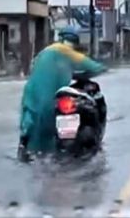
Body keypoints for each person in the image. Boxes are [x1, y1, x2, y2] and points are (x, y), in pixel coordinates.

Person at [17, 26, 106, 162]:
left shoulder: (44, 52)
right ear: (75, 42)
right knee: (50, 126)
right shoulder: (67, 52)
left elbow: (34, 70)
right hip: (49, 99)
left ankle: (27, 149)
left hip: (31, 94)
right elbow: (96, 68)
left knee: (30, 127)